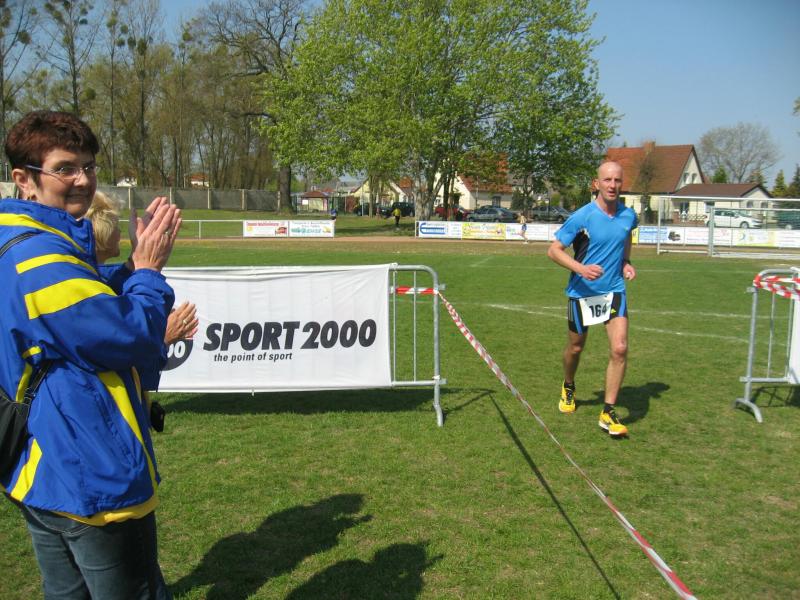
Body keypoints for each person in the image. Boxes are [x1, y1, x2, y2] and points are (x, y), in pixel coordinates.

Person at [0, 110, 181, 598]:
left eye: (89, 166)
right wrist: (149, 272)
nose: (82, 179)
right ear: (24, 179)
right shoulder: (39, 260)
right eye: (65, 168)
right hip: (89, 472)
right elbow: (132, 337)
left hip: (39, 468)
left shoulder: (18, 241)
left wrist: (129, 269)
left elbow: (81, 306)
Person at [546, 161, 637, 437]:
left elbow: (626, 236)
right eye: (607, 180)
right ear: (596, 184)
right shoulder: (582, 216)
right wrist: (581, 269)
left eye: (617, 180)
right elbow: (554, 250)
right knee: (575, 348)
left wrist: (626, 261)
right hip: (582, 293)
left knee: (619, 348)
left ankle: (608, 412)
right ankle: (568, 385)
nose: (612, 185)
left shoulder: (628, 215)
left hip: (614, 291)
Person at [86, 191, 198, 344]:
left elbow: (111, 286)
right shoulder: (85, 287)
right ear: (101, 232)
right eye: (115, 226)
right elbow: (120, 349)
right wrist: (162, 337)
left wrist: (135, 261)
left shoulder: (88, 275)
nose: (119, 232)